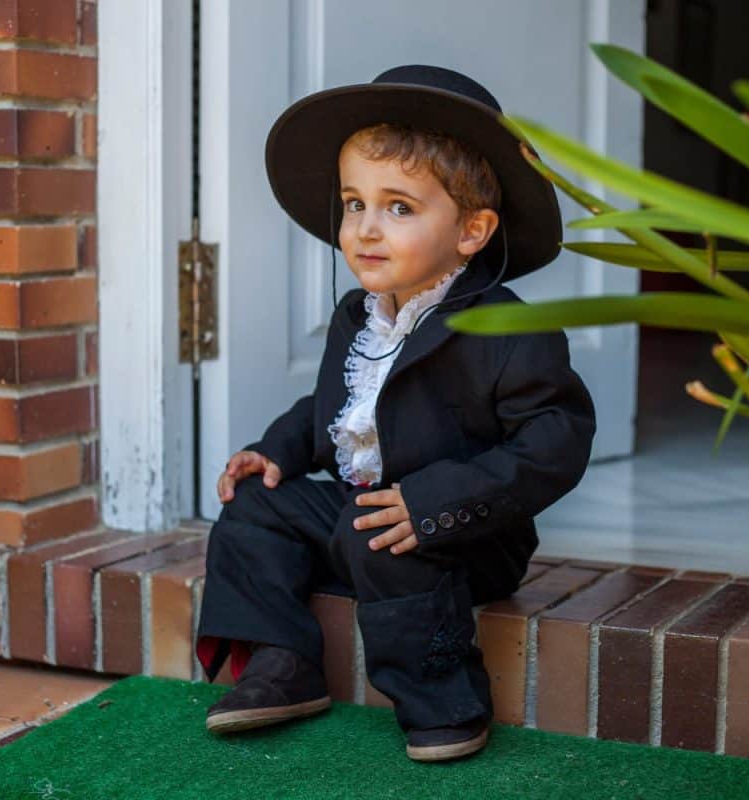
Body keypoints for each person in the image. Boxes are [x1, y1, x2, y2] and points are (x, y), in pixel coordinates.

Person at [195, 64, 596, 762]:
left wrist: (437, 500)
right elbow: (332, 409)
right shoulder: (360, 319)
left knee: (369, 524)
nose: (366, 229)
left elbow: (557, 438)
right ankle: (282, 663)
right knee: (255, 508)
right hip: (368, 520)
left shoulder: (503, 330)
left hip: (466, 535)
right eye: (354, 204)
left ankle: (446, 702)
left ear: (472, 230)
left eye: (399, 208)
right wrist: (278, 450)